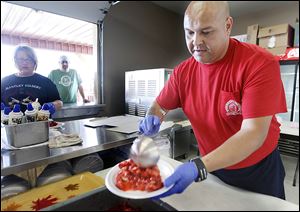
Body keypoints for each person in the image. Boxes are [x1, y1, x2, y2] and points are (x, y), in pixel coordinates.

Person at [139, 1, 287, 200]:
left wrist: (200, 165)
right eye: (189, 33)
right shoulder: (183, 72)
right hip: (214, 166)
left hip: (258, 170)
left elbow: (253, 133)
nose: (196, 42)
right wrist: (153, 117)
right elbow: (160, 105)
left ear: (228, 26)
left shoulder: (259, 63)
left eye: (206, 32)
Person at [1, 44, 62, 114]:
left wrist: (52, 106)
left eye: (29, 59)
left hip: (39, 123)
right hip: (9, 123)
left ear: (34, 61)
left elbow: (59, 102)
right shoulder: (4, 82)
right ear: (15, 61)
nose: (25, 63)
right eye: (20, 59)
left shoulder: (46, 82)